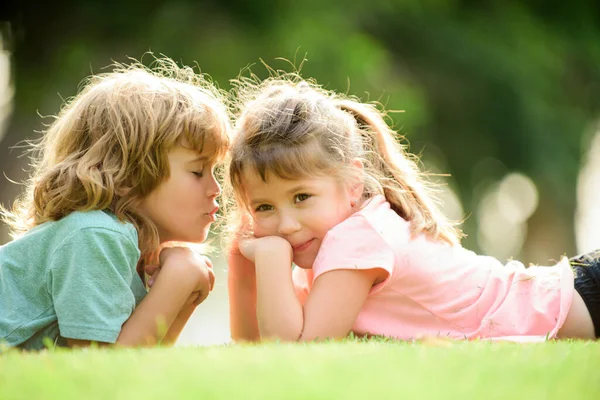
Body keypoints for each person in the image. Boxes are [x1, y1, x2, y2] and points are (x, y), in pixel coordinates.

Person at [224, 76, 598, 343]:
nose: (286, 224)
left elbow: (295, 352)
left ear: (353, 185)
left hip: (583, 301)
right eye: (264, 206)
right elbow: (256, 348)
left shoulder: (356, 239)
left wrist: (271, 257)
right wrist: (242, 268)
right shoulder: (328, 245)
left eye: (302, 197)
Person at [0, 57, 230, 349]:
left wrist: (181, 298)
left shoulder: (130, 249)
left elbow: (138, 369)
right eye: (197, 171)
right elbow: (96, 370)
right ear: (128, 176)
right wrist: (178, 280)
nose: (216, 188)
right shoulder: (95, 234)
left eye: (214, 171)